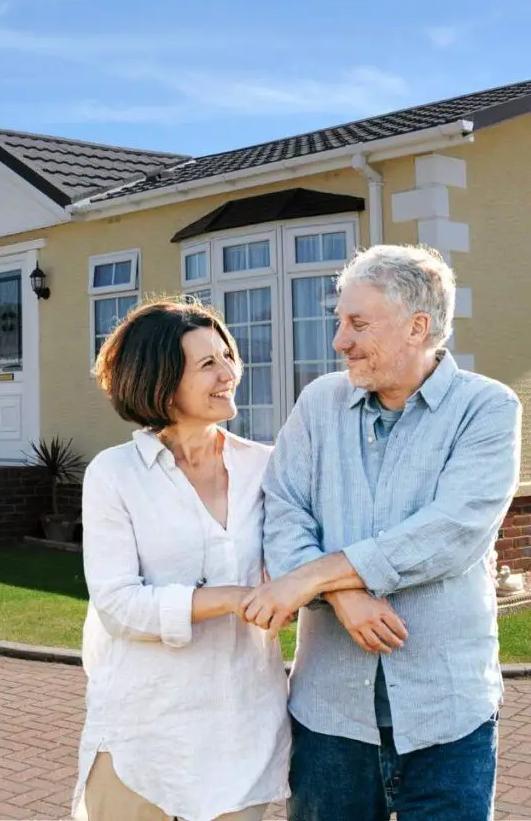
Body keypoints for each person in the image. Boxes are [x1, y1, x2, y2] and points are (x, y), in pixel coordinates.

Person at [243, 244, 522, 821]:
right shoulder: (320, 402)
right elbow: (284, 510)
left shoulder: (487, 408)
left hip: (449, 716)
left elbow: (451, 532)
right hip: (330, 715)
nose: (340, 340)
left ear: (418, 327)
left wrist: (316, 575)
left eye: (358, 323)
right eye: (339, 321)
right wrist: (344, 595)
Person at [72, 298, 366, 821]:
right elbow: (117, 604)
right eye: (207, 364)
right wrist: (232, 599)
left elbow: (303, 553)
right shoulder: (114, 474)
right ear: (159, 381)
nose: (229, 372)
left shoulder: (267, 466)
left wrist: (330, 587)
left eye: (227, 356)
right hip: (144, 735)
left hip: (242, 728)